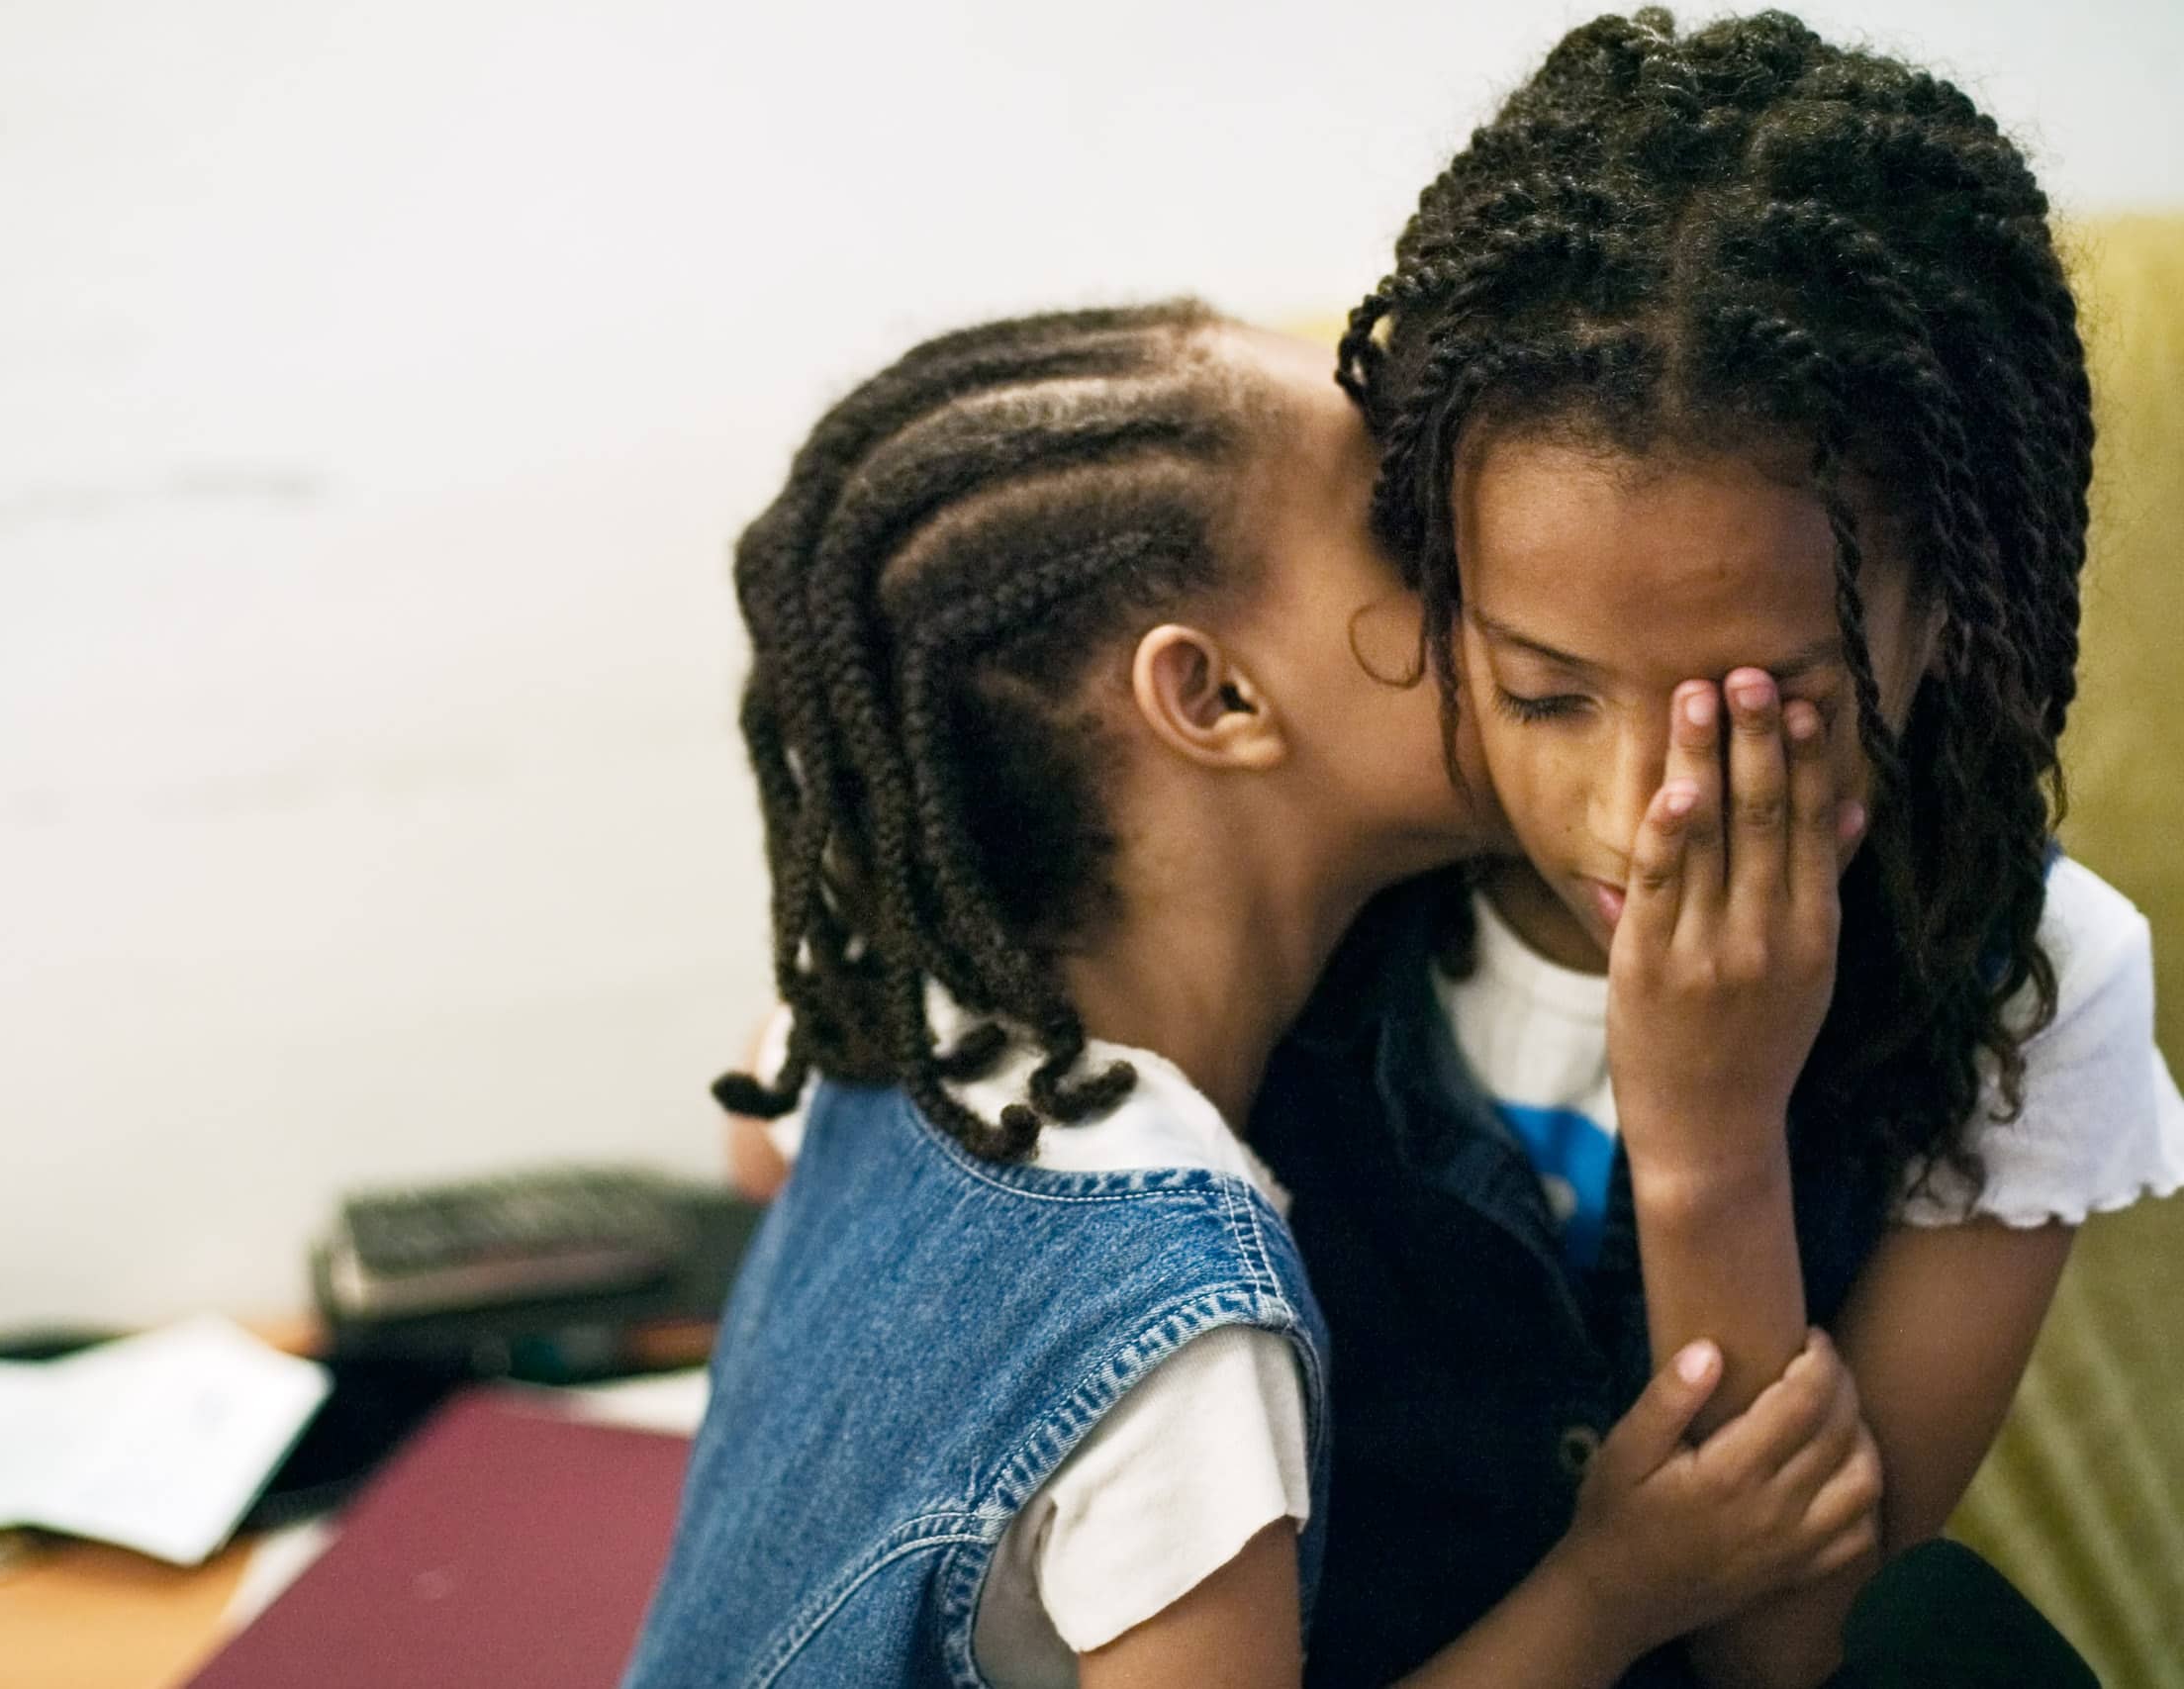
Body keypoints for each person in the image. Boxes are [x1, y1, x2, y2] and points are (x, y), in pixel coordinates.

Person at [629, 303, 1879, 1689]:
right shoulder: (1182, 1335)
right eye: (1408, 540)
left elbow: (759, 1133)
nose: (1500, 580)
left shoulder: (904, 1031)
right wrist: (1609, 1592)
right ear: (1218, 698)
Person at [1252, 9, 2180, 1685]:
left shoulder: (2033, 980)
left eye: (1764, 715)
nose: (1636, 813)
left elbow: (1786, 1646)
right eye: (1545, 696)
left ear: (1948, 618)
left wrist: (1708, 1139)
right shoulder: (1322, 845)